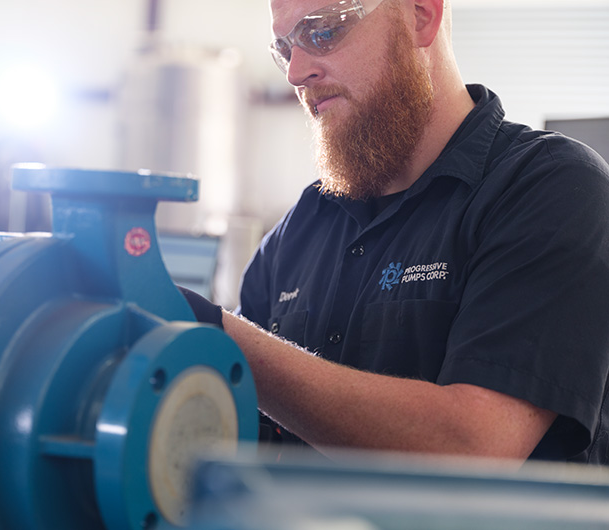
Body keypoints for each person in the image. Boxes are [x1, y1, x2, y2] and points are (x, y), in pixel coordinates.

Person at [182, 0, 609, 465]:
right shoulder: (299, 229)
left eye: (322, 32)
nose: (295, 72)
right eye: (284, 50)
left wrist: (222, 337)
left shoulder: (549, 188)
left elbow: (475, 445)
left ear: (421, 16)